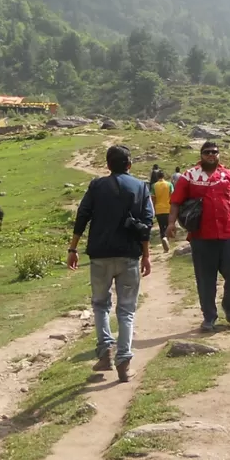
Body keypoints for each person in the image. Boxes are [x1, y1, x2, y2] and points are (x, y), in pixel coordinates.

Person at [68, 145, 154, 381]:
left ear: (108, 165)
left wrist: (73, 248)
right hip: (128, 256)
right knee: (126, 310)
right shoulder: (140, 187)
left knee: (100, 304)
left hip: (99, 256)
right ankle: (124, 362)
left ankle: (105, 349)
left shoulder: (96, 186)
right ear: (129, 164)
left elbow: (82, 216)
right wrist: (146, 255)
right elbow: (146, 225)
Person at [167, 141, 230, 332]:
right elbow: (176, 202)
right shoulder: (189, 176)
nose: (211, 155)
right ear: (201, 155)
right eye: (207, 152)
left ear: (219, 155)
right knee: (205, 278)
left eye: (214, 152)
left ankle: (229, 306)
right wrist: (171, 223)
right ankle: (209, 317)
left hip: (229, 234)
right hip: (201, 236)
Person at [149, 164, 173, 253]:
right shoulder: (169, 184)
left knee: (161, 227)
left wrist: (154, 208)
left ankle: (163, 238)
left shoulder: (154, 186)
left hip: (159, 209)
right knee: (167, 226)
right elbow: (172, 195)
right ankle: (167, 240)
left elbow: (153, 198)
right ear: (164, 176)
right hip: (168, 208)